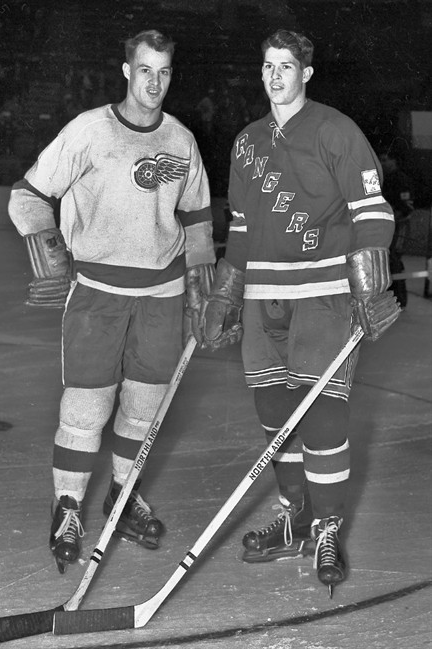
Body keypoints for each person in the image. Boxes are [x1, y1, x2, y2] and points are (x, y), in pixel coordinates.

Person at [200, 30, 400, 596]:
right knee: (272, 412)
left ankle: (329, 525)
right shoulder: (244, 144)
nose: (275, 76)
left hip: (325, 294)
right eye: (267, 66)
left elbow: (372, 213)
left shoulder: (337, 131)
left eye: (286, 66)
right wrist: (224, 295)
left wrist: (366, 288)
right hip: (265, 295)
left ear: (306, 73)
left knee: (321, 416)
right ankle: (295, 514)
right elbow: (239, 229)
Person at [8, 30, 216, 573]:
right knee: (86, 409)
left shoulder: (181, 140)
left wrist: (201, 284)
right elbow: (29, 194)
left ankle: (123, 499)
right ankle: (68, 507)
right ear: (126, 71)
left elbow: (196, 219)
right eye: (144, 70)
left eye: (164, 72)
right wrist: (47, 243)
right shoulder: (89, 131)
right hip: (97, 293)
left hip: (163, 295)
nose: (154, 82)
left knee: (144, 409)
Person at [379, 150, 415, 308]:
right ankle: (391, 297)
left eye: (385, 160)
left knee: (393, 260)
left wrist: (393, 216)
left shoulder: (401, 180)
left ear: (394, 161)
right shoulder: (383, 179)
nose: (382, 163)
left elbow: (407, 207)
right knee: (386, 260)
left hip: (397, 225)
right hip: (385, 225)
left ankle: (400, 298)